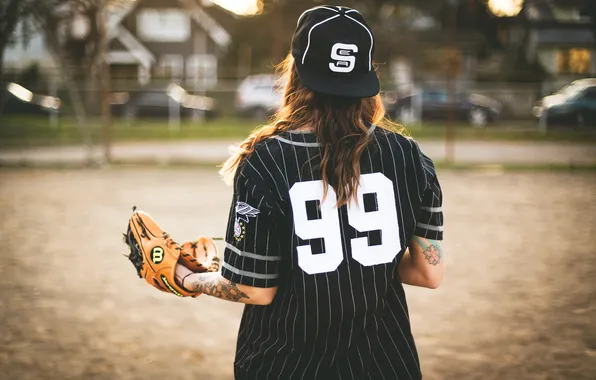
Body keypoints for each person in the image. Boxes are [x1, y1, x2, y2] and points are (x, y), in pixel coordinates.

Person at [175, 5, 445, 379]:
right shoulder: (409, 156)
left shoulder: (266, 159)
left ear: (296, 73)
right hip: (385, 364)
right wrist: (361, 261)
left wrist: (186, 279)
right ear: (366, 78)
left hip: (286, 365)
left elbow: (253, 289)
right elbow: (428, 272)